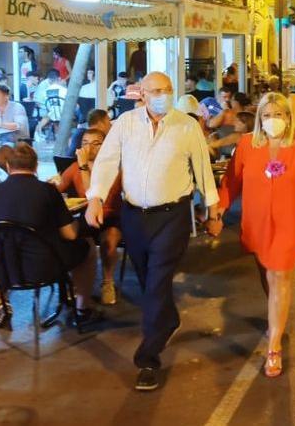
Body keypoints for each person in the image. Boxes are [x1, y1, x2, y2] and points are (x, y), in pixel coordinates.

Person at [85, 71, 218, 391]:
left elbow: (203, 167)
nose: (163, 95)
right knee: (149, 282)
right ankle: (168, 320)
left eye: (167, 89)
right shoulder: (126, 124)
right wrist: (95, 198)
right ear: (142, 94)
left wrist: (213, 209)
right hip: (135, 216)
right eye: (156, 90)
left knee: (157, 282)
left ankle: (148, 358)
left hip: (172, 217)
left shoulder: (186, 126)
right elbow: (107, 162)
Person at [218, 92, 295, 377]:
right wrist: (219, 209)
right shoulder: (246, 145)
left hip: (291, 223)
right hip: (257, 224)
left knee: (279, 275)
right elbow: (231, 180)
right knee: (268, 275)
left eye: (278, 114)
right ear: (259, 118)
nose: (272, 120)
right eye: (266, 115)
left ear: (288, 117)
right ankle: (276, 315)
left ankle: (274, 346)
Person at [0, 143, 101, 331]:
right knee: (86, 245)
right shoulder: (47, 191)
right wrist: (80, 221)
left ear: (8, 166)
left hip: (4, 267)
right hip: (42, 268)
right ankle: (82, 308)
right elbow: (70, 234)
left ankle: (2, 305)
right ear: (36, 166)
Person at [57, 128, 123, 305]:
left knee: (109, 241)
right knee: (67, 237)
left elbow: (91, 193)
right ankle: (76, 285)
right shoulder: (75, 167)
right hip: (86, 217)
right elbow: (58, 188)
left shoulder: (115, 168)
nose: (89, 148)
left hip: (110, 216)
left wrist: (83, 166)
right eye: (85, 143)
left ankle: (107, 282)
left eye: (96, 144)